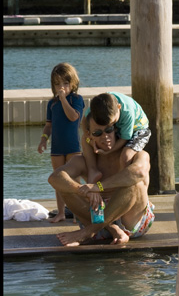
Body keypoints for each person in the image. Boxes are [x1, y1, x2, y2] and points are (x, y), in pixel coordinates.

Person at [48, 103, 155, 247]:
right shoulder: (83, 161)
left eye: (108, 130)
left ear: (116, 130)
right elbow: (54, 178)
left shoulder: (137, 154)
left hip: (132, 223)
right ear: (89, 137)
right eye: (98, 133)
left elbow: (139, 172)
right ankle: (111, 228)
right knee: (65, 186)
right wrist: (84, 190)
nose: (105, 137)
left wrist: (98, 186)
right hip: (97, 220)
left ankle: (87, 233)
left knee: (135, 182)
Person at [37, 63, 85, 223]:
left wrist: (64, 98)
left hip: (73, 147)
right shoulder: (52, 104)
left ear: (73, 83)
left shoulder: (76, 99)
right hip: (57, 148)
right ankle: (61, 212)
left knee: (75, 181)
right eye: (57, 84)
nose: (61, 87)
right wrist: (44, 138)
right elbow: (48, 125)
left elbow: (73, 117)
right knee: (58, 181)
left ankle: (78, 213)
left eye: (65, 83)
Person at [81, 92, 151, 184]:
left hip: (138, 129)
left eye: (111, 123)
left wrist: (108, 151)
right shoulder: (97, 107)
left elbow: (125, 138)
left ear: (119, 107)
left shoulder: (127, 111)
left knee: (126, 156)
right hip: (120, 127)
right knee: (84, 139)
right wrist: (89, 138)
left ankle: (121, 181)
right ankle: (92, 170)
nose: (109, 125)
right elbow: (84, 121)